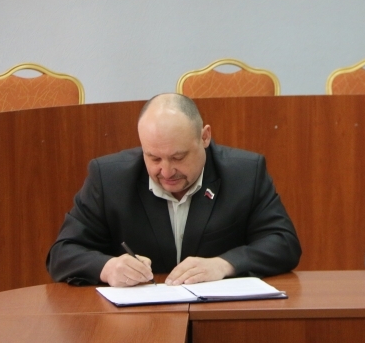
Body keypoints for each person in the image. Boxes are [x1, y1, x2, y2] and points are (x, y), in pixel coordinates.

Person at [47, 93, 301, 286]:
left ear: (204, 137)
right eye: (154, 158)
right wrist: (107, 267)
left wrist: (224, 265)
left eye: (178, 157)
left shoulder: (244, 173)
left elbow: (284, 243)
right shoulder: (109, 178)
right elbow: (62, 253)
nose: (166, 171)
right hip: (138, 322)